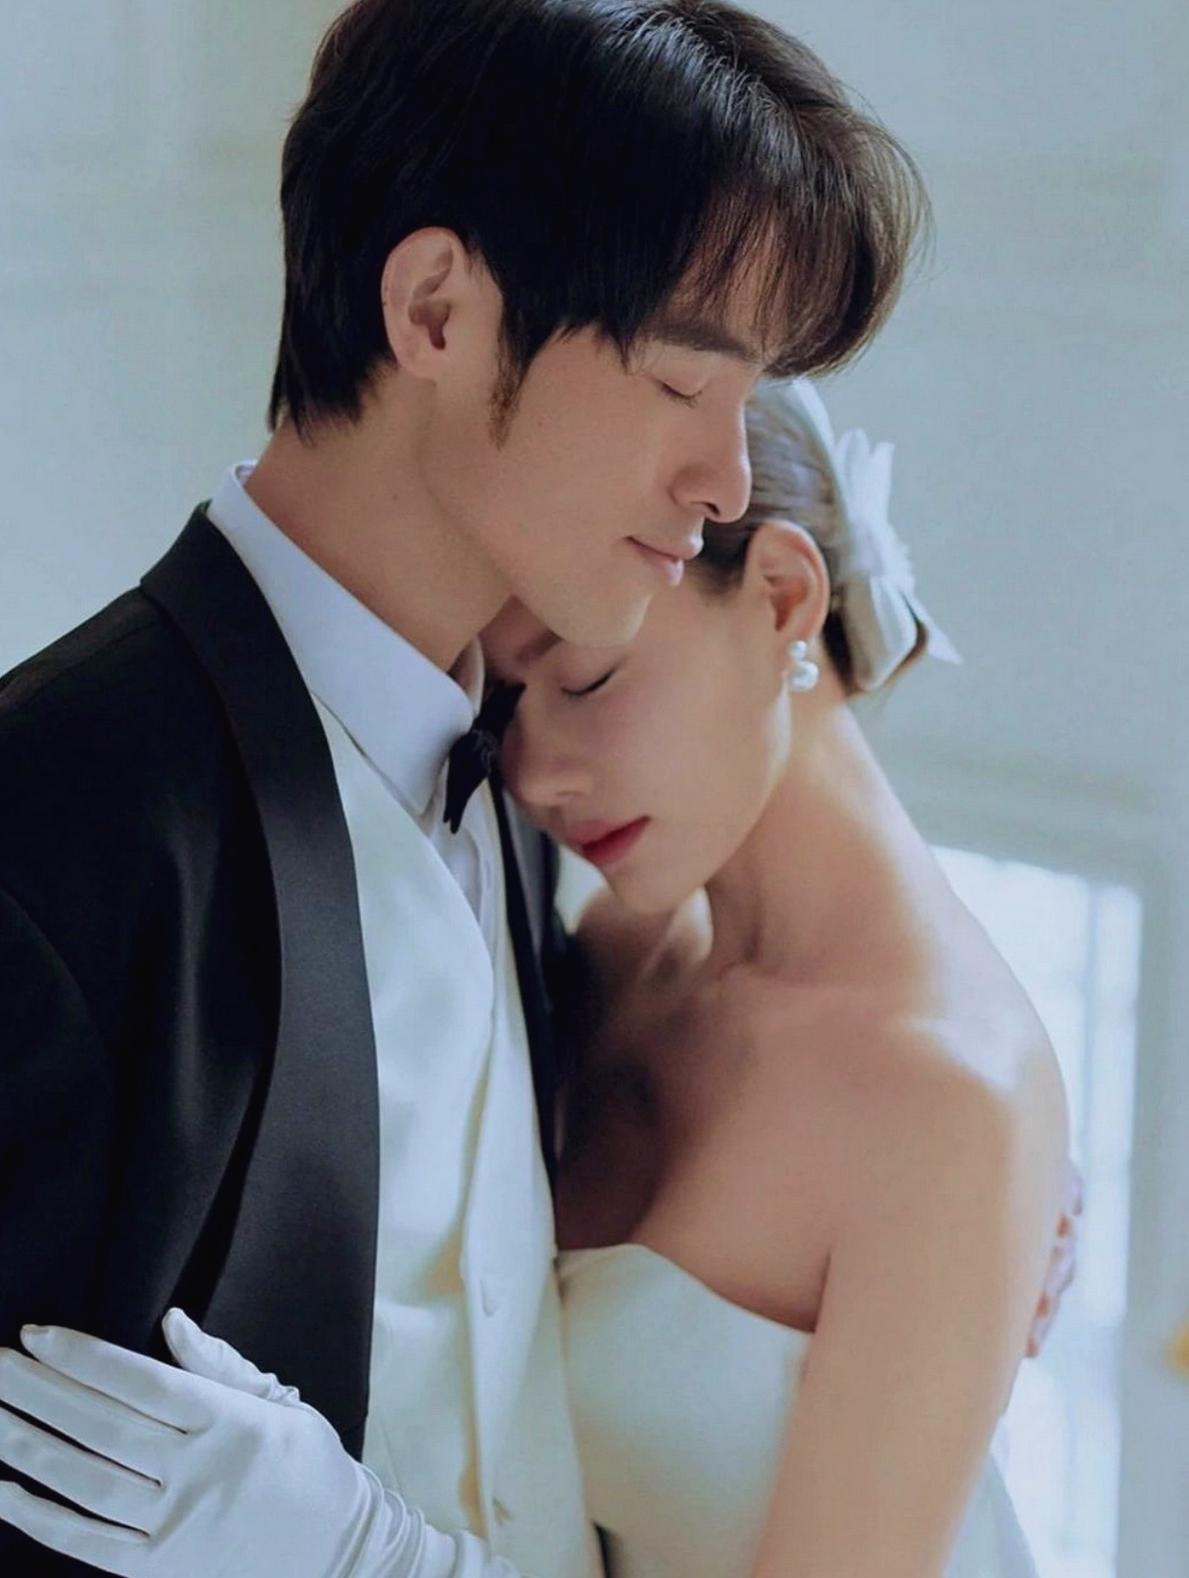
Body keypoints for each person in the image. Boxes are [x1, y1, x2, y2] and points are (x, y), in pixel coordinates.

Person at [0, 0, 932, 1573]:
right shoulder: (53, 828)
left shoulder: (535, 777)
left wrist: (950, 1185)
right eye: (680, 381)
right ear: (436, 311)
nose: (723, 479)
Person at [0, 381, 1081, 1578]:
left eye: (587, 682)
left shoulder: (949, 1106)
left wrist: (367, 1553)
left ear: (782, 596)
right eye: (509, 705)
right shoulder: (618, 956)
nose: (535, 776)